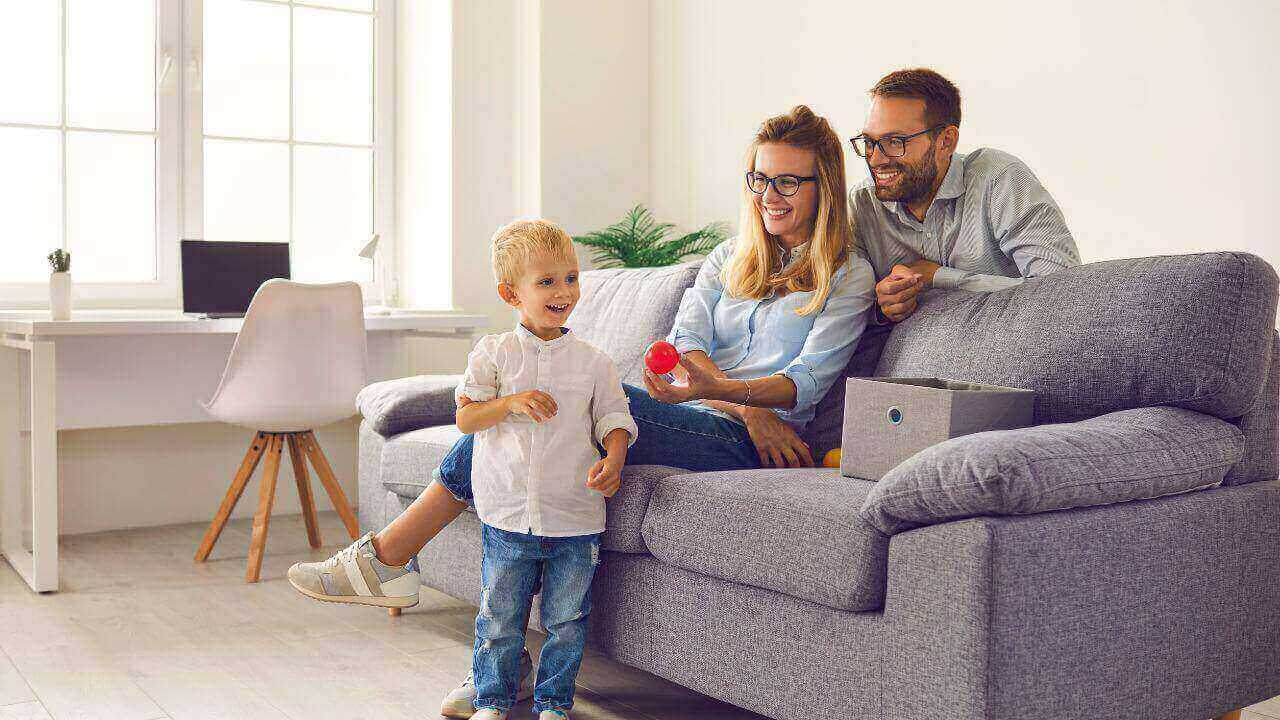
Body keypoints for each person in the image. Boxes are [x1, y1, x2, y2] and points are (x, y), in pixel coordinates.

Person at [287, 105, 876, 719]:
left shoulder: (847, 274)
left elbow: (805, 383)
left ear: (824, 186)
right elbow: (677, 351)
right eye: (758, 179)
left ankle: (386, 561)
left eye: (788, 181)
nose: (769, 195)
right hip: (719, 414)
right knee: (527, 428)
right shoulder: (730, 258)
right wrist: (741, 398)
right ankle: (491, 658)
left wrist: (746, 407)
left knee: (560, 409)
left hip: (749, 445)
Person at [848, 68, 1081, 323]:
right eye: (869, 142)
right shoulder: (863, 204)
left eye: (895, 142)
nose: (876, 159)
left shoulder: (998, 179)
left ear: (946, 141)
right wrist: (882, 308)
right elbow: (844, 310)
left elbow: (1063, 292)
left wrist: (938, 277)